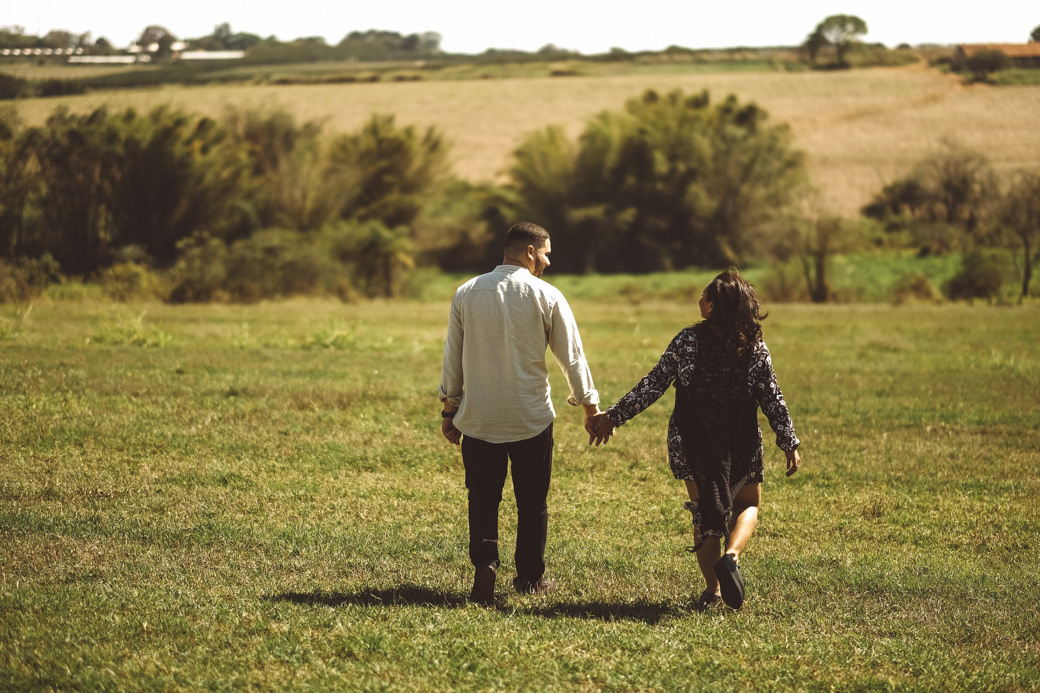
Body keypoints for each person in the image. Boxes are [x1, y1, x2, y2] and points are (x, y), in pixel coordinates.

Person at [588, 270, 801, 609]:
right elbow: (771, 397)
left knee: (705, 514)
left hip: (692, 440)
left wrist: (613, 416)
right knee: (748, 504)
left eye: (704, 297)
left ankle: (713, 593)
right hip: (740, 439)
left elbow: (653, 384)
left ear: (713, 307)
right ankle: (731, 556)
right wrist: (788, 440)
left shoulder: (688, 341)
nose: (699, 301)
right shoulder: (755, 346)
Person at [439, 221, 608, 606]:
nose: (548, 261)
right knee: (533, 502)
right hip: (531, 419)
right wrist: (590, 407)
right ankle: (530, 577)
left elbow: (453, 359)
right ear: (530, 251)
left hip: (479, 418)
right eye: (546, 253)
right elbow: (572, 357)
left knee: (482, 497)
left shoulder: (466, 292)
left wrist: (450, 409)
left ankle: (485, 564)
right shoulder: (546, 295)